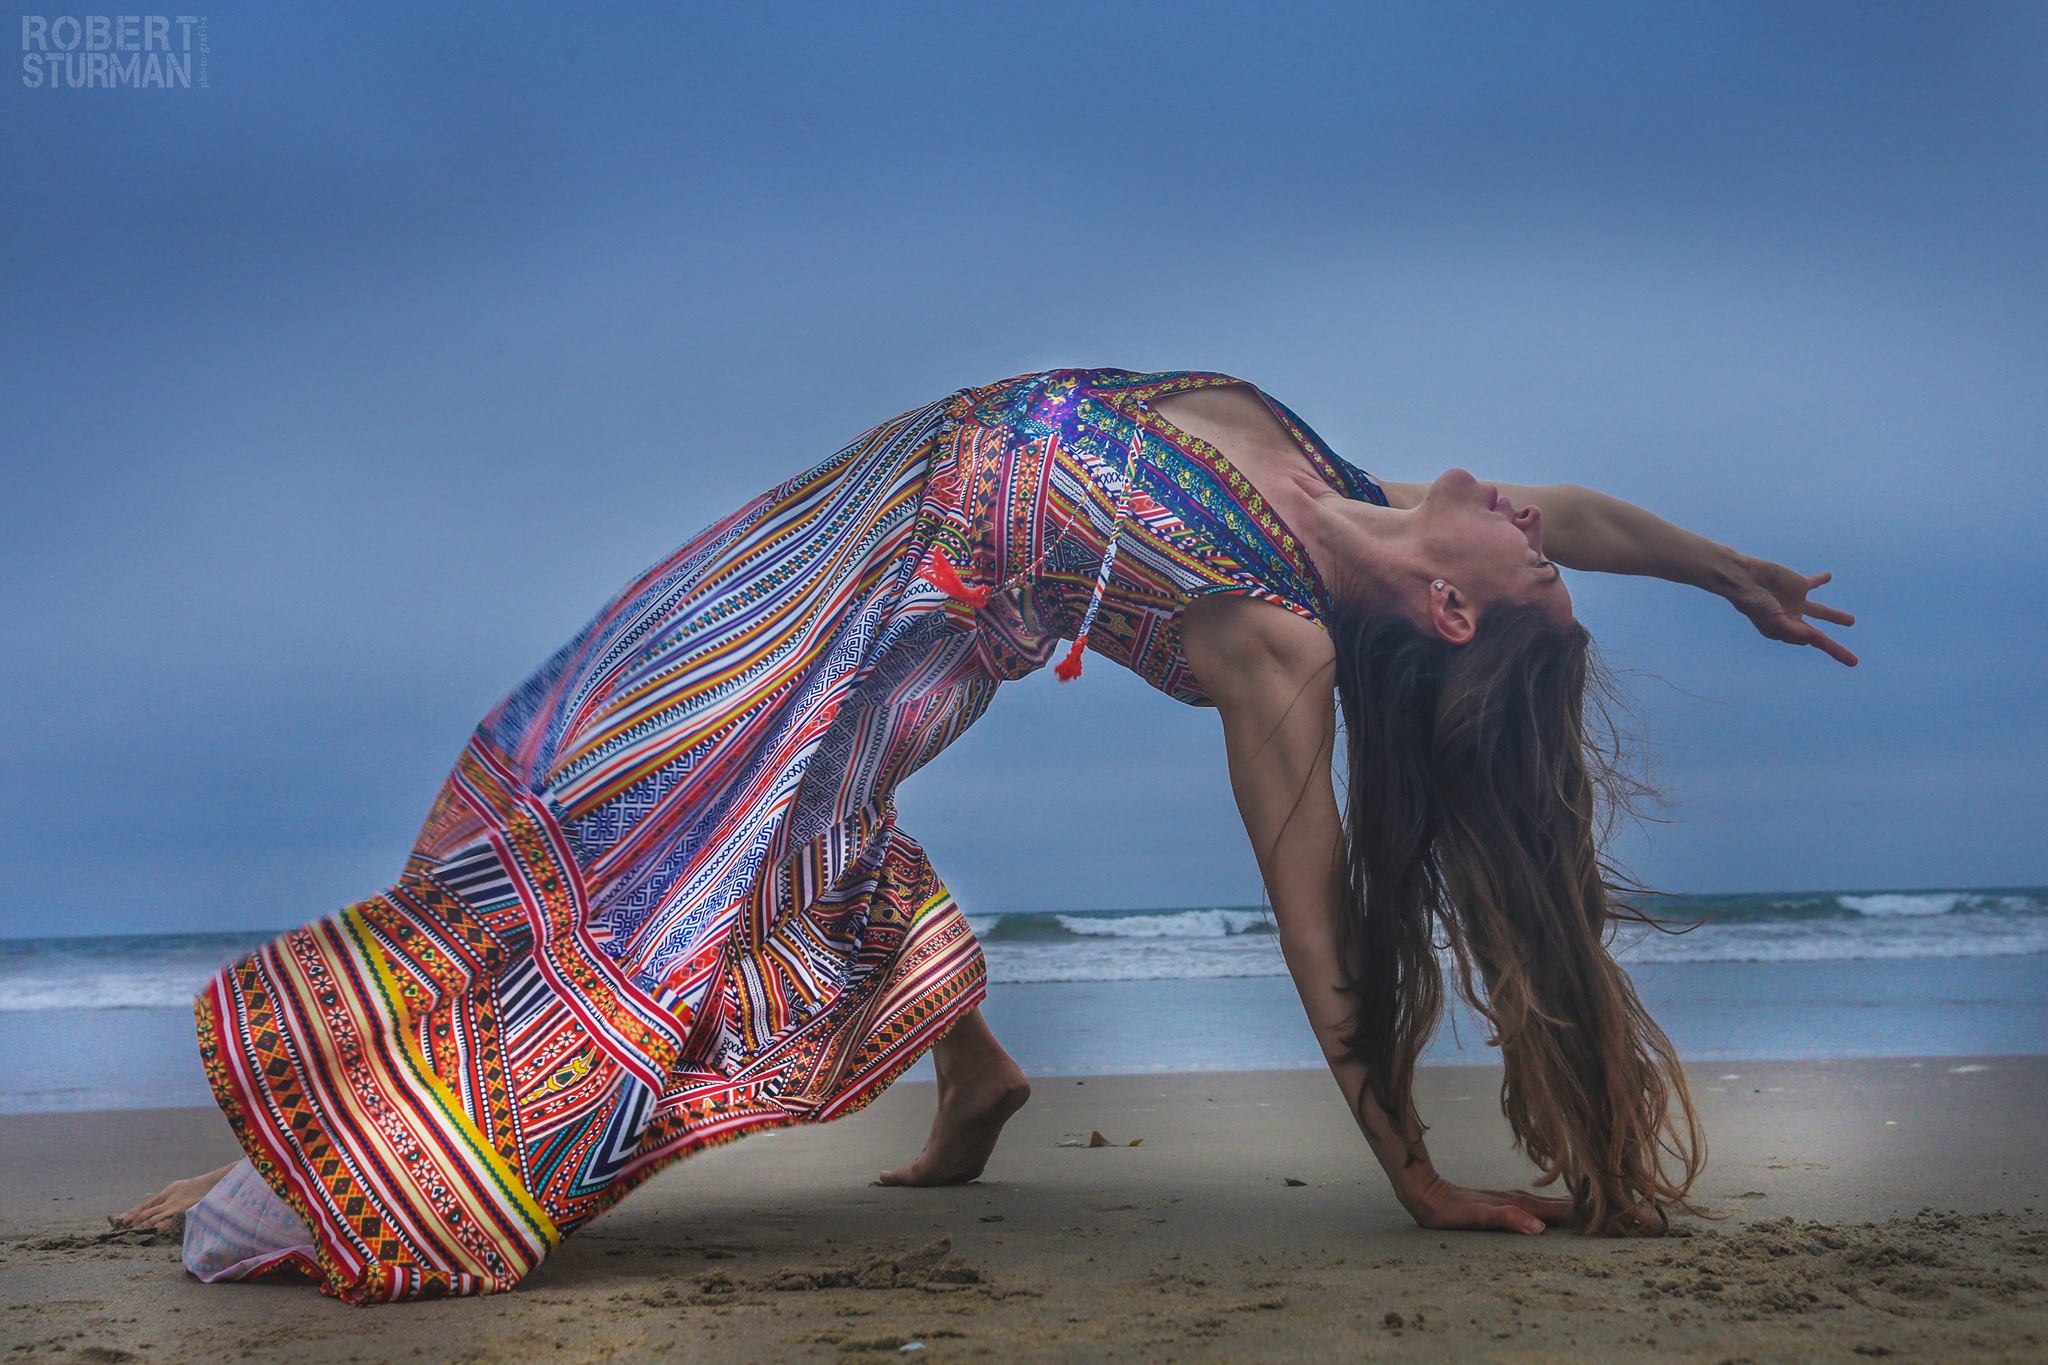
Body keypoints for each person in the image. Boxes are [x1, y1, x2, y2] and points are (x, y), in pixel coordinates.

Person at [112, 365, 1855, 1302]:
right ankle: (971, 1071)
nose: (1540, 524)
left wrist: (1404, 1164)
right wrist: (1726, 573)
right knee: (554, 755)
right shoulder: (1377, 497)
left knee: (642, 879)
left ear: (1461, 622)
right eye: (1553, 551)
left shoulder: (1287, 643)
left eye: (1535, 569)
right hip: (844, 527)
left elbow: (1313, 912)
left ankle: (313, 1172)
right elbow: (1596, 522)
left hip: (884, 622)